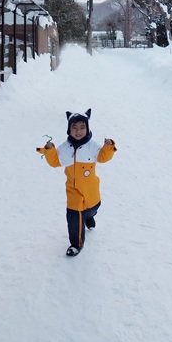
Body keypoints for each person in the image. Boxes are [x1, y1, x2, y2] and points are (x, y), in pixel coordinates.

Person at [37, 109, 117, 257]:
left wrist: (109, 146)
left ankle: (88, 216)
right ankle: (76, 244)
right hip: (73, 189)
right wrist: (50, 150)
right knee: (74, 215)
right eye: (74, 128)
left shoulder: (92, 146)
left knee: (92, 206)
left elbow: (103, 157)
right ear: (69, 129)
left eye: (82, 127)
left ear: (87, 128)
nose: (78, 131)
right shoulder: (65, 147)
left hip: (90, 187)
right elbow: (55, 161)